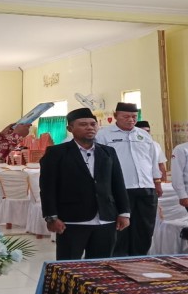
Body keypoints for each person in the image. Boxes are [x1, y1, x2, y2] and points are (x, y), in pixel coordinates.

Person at [40, 108, 130, 260]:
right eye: (83, 124)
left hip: (105, 218)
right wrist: (51, 217)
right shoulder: (56, 153)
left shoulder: (108, 152)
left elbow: (118, 183)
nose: (89, 128)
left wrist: (124, 213)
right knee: (69, 265)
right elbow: (47, 187)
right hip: (72, 220)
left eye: (93, 124)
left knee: (100, 265)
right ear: (70, 128)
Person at [94, 102, 161, 257]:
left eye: (134, 116)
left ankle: (140, 257)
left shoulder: (144, 135)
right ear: (115, 115)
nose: (131, 120)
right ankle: (119, 259)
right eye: (126, 116)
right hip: (120, 188)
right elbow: (99, 162)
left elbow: (152, 160)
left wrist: (156, 182)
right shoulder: (104, 135)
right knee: (121, 227)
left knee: (145, 227)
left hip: (146, 187)